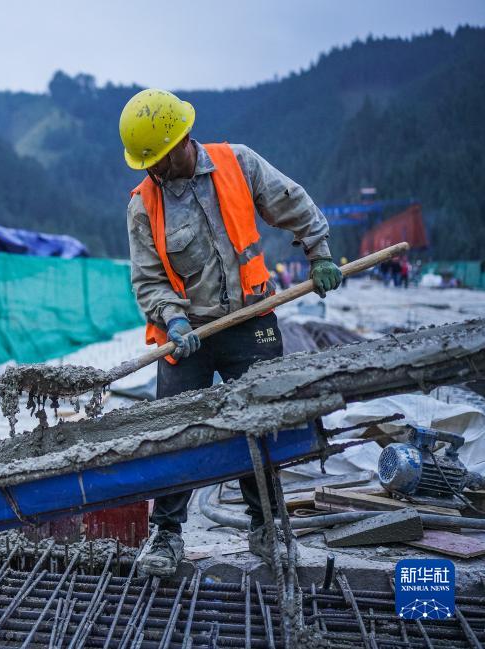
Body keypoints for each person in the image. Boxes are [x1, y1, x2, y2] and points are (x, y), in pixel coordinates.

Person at [119, 89, 342, 576]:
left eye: (159, 158)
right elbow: (149, 278)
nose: (154, 170)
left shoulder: (237, 163)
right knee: (174, 431)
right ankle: (166, 534)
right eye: (147, 163)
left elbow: (291, 201)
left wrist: (319, 252)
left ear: (182, 139)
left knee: (261, 423)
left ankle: (267, 527)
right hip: (188, 334)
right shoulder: (143, 205)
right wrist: (173, 318)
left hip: (252, 319)